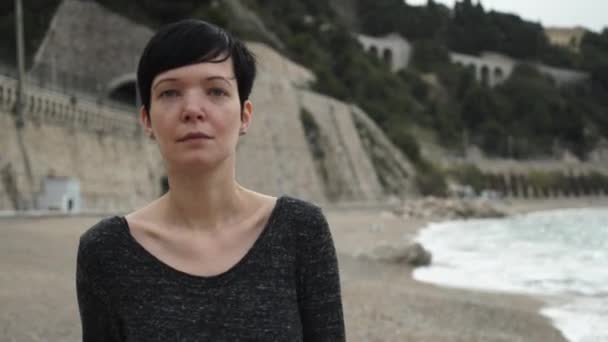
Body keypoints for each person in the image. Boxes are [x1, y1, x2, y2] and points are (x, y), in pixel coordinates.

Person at [76, 19, 345, 341]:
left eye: (216, 91)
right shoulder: (107, 251)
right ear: (146, 120)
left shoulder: (300, 231)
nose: (192, 109)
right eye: (170, 92)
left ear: (245, 116)